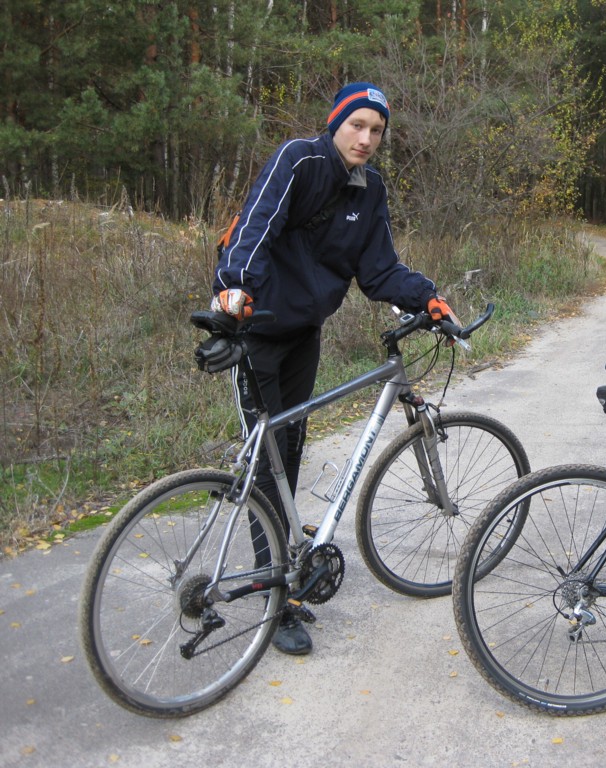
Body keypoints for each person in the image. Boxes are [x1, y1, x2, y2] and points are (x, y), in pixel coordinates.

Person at [209, 82, 457, 655]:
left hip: (304, 333)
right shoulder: (300, 160)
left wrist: (426, 297)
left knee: (290, 450)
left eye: (377, 131)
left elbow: (379, 269)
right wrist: (235, 290)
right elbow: (256, 227)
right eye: (357, 125)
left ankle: (285, 568)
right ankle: (275, 602)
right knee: (266, 461)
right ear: (336, 123)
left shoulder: (371, 190)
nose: (366, 139)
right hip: (254, 329)